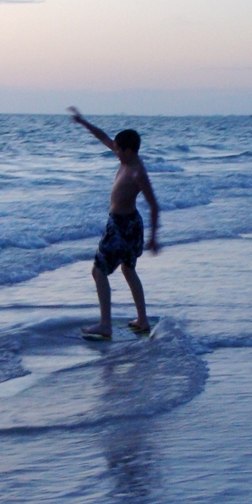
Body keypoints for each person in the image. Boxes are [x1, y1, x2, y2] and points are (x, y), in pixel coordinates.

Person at [68, 107, 160, 339]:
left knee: (98, 271)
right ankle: (142, 320)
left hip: (123, 226)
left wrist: (153, 238)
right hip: (128, 225)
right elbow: (104, 138)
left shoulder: (137, 172)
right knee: (128, 270)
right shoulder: (127, 160)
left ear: (128, 150)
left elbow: (154, 205)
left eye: (118, 150)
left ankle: (105, 325)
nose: (115, 152)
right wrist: (83, 122)